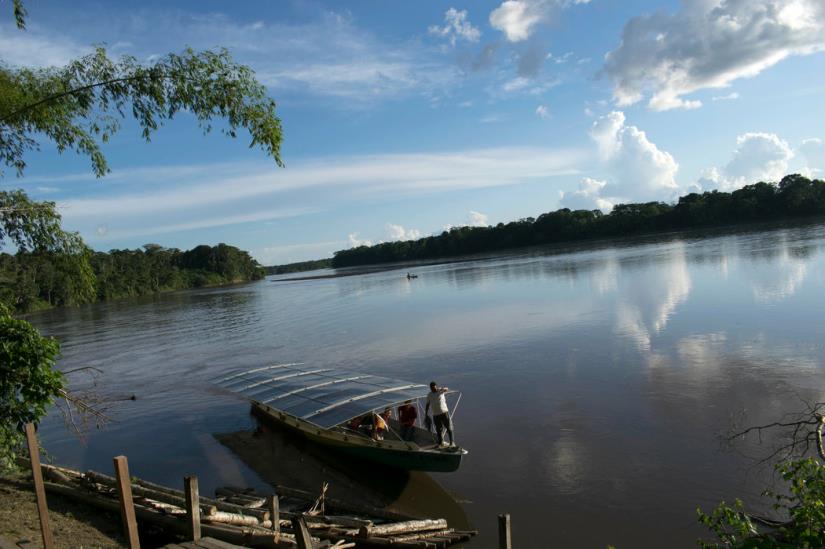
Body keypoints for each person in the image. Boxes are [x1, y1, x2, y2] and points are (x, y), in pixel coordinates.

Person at [425, 381, 455, 447]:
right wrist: (426, 414)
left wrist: (442, 389)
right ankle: (441, 442)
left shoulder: (440, 391)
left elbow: (447, 389)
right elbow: (427, 404)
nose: (434, 389)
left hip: (444, 413)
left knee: (449, 427)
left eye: (435, 388)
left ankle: (452, 442)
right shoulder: (429, 395)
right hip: (436, 415)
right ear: (430, 388)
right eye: (432, 388)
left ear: (436, 386)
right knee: (439, 429)